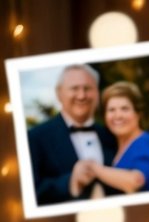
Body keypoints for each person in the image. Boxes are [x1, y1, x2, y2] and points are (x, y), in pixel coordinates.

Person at [27, 63, 116, 205]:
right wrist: (70, 181)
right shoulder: (34, 137)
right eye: (74, 88)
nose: (81, 95)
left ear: (97, 93)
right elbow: (30, 195)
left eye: (87, 88)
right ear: (59, 94)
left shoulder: (111, 135)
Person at [84, 81, 149, 196]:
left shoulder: (147, 145)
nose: (118, 116)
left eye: (125, 109)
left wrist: (94, 168)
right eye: (111, 110)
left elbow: (135, 181)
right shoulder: (115, 148)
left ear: (138, 113)